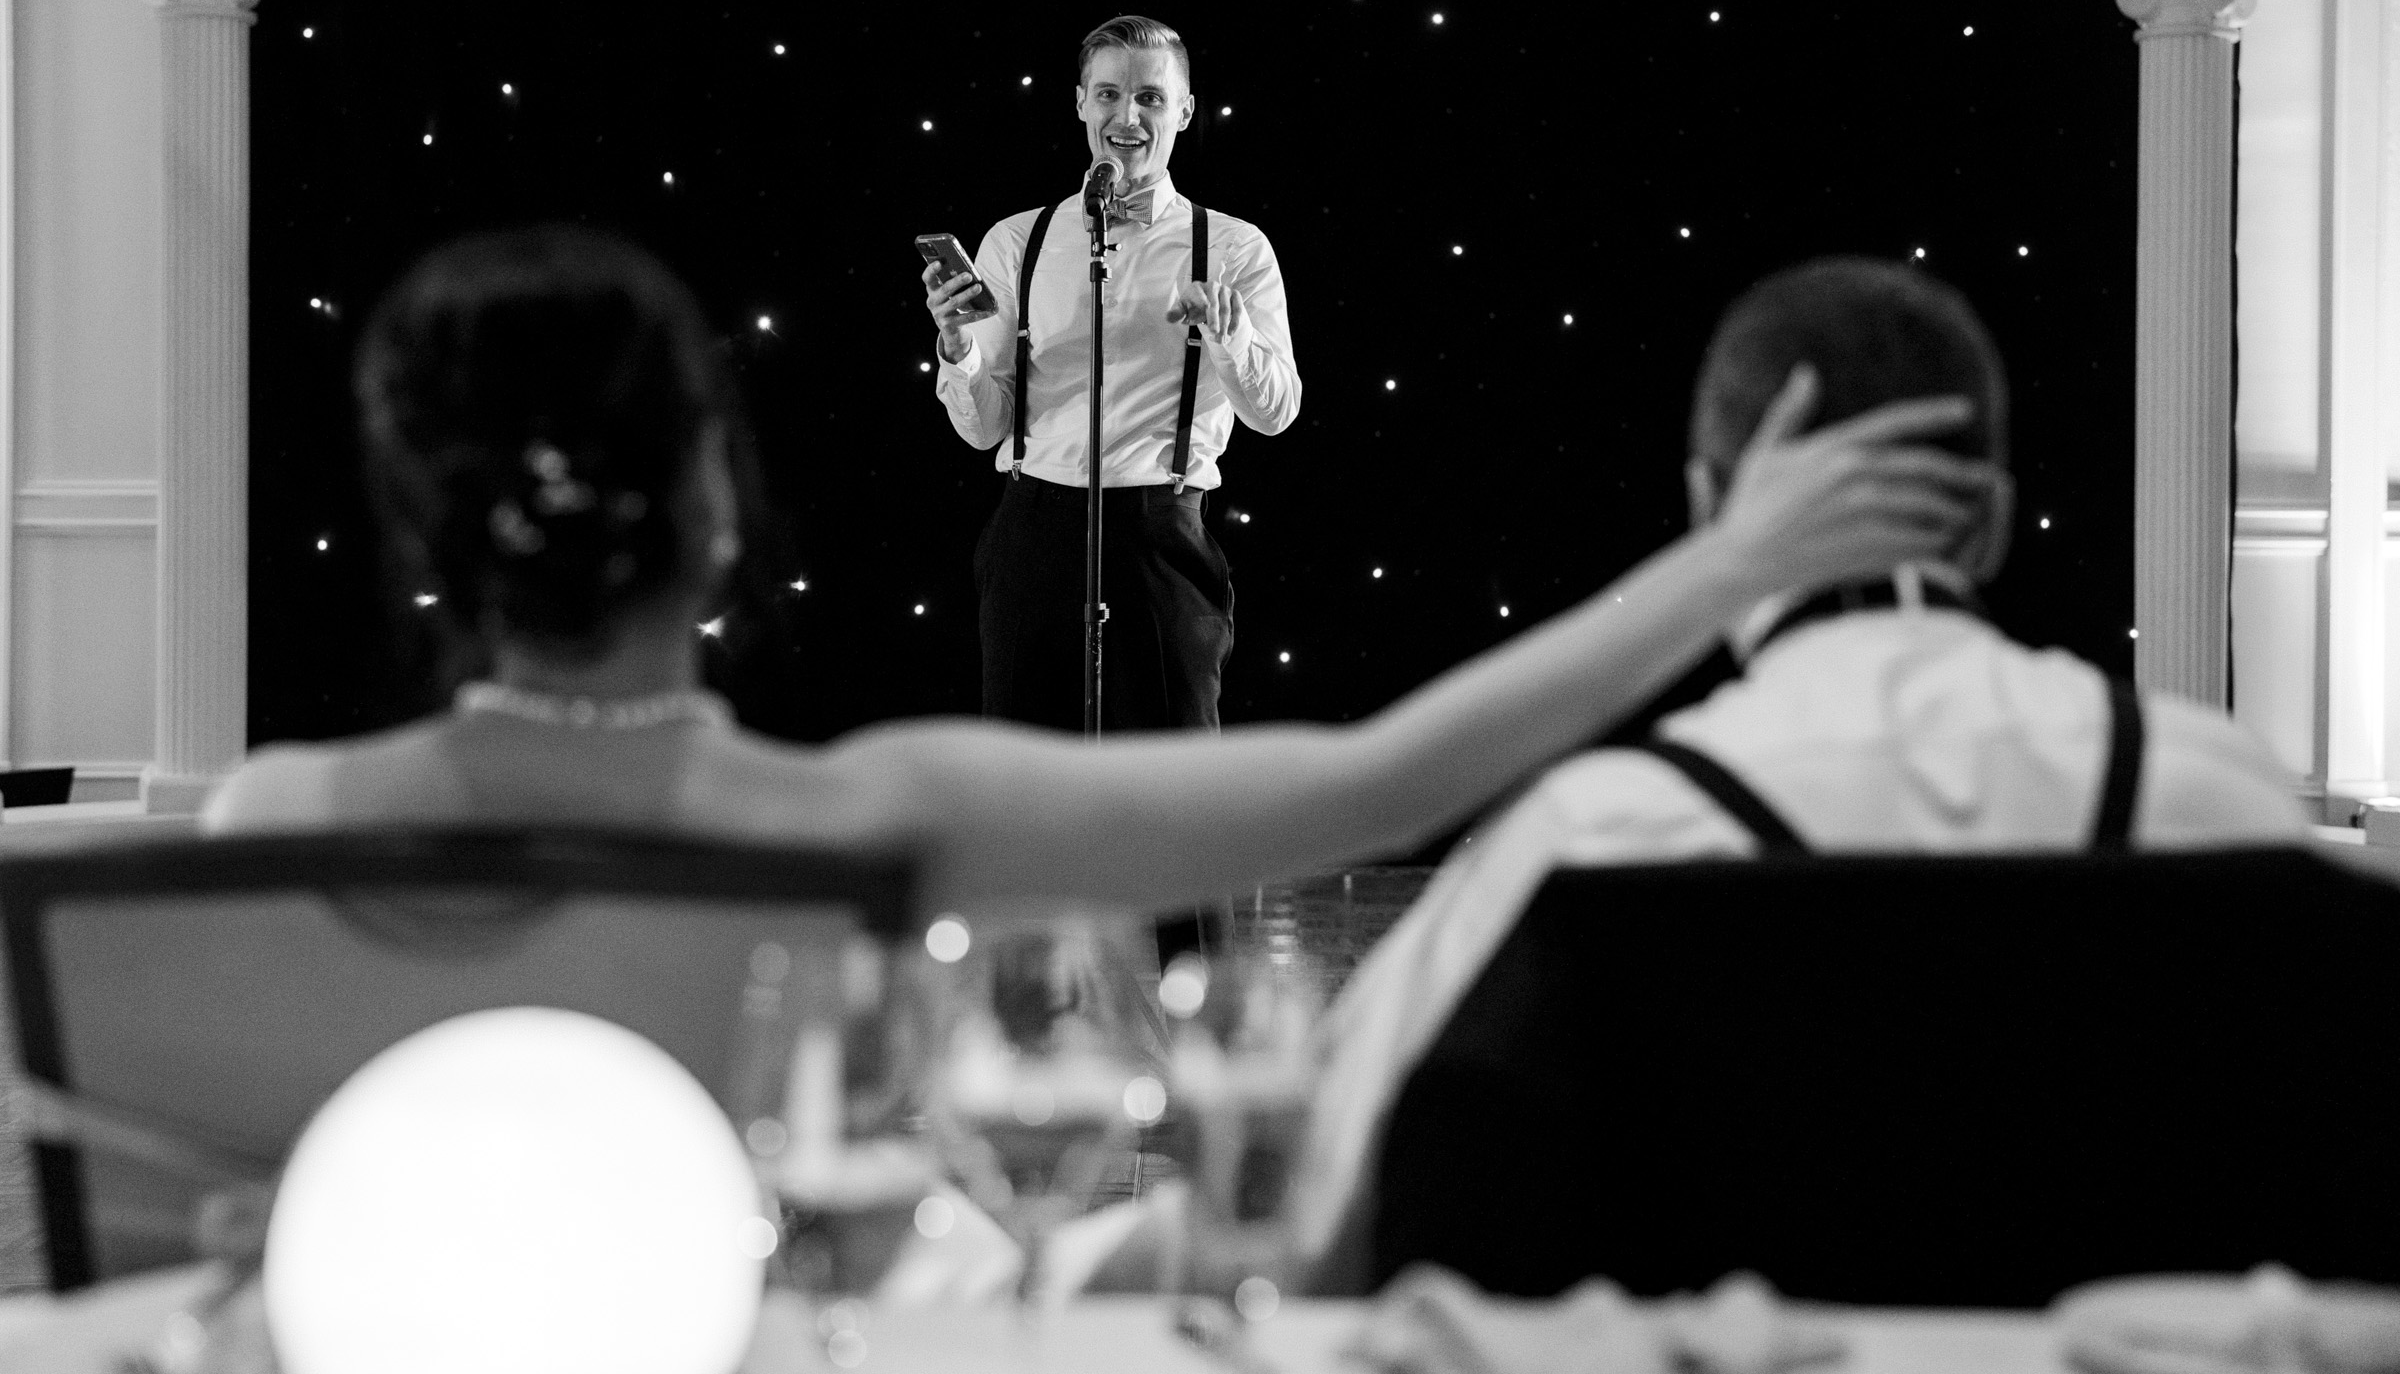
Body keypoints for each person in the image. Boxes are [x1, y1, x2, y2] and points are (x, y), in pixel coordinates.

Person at [204, 227, 1993, 922]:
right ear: (721, 516)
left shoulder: (260, 826)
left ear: (419, 532)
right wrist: (1731, 559)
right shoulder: (870, 819)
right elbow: (1394, 778)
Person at [1283, 256, 2314, 1290]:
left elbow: (1312, 1220)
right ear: (1992, 519)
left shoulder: (1590, 843)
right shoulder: (2230, 805)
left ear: (1707, 508)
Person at [921, 14, 1297, 733]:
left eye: (1151, 98)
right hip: (1033, 533)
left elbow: (1276, 411)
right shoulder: (1017, 240)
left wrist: (1229, 331)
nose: (1128, 115)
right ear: (1080, 103)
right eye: (1109, 95)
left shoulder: (1235, 247)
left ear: (1185, 112)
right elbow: (985, 429)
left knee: (1173, 785)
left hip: (1161, 536)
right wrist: (957, 350)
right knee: (1029, 777)